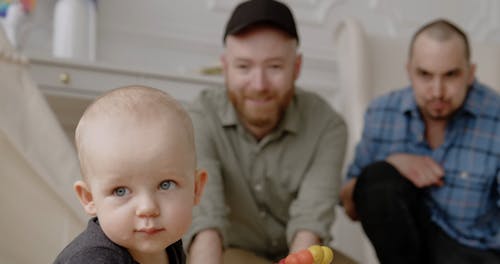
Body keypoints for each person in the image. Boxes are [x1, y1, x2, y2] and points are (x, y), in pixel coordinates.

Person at [183, 1, 350, 263]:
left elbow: (311, 222)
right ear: (225, 67)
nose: (259, 85)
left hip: (301, 252)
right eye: (243, 67)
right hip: (229, 253)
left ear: (296, 67)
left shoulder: (328, 125)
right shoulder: (200, 118)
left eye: (274, 67)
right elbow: (206, 223)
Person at [340, 19, 500, 264]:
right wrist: (393, 164)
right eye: (425, 75)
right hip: (406, 252)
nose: (437, 91)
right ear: (409, 71)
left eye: (451, 75)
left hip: (474, 252)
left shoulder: (496, 117)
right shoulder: (382, 112)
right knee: (377, 178)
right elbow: (350, 205)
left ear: (470, 73)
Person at [53, 86, 207, 264]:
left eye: (166, 184)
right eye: (120, 191)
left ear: (196, 189)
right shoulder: (93, 259)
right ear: (89, 198)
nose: (147, 208)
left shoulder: (169, 243)